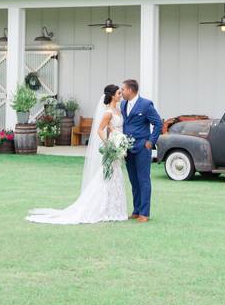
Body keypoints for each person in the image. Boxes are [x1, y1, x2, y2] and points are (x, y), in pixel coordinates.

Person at [26, 84, 128, 225]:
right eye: (118, 93)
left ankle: (114, 208)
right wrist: (109, 144)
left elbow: (116, 127)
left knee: (116, 175)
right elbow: (100, 130)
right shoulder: (108, 112)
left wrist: (121, 141)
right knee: (108, 175)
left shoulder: (118, 110)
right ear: (111, 95)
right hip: (112, 146)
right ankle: (101, 207)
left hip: (119, 145)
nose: (120, 95)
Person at [119, 79, 163, 222]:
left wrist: (151, 141)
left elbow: (158, 123)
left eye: (123, 89)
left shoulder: (146, 104)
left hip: (142, 148)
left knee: (143, 179)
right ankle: (136, 210)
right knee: (133, 180)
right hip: (127, 149)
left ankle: (145, 213)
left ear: (130, 90)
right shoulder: (123, 104)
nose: (121, 92)